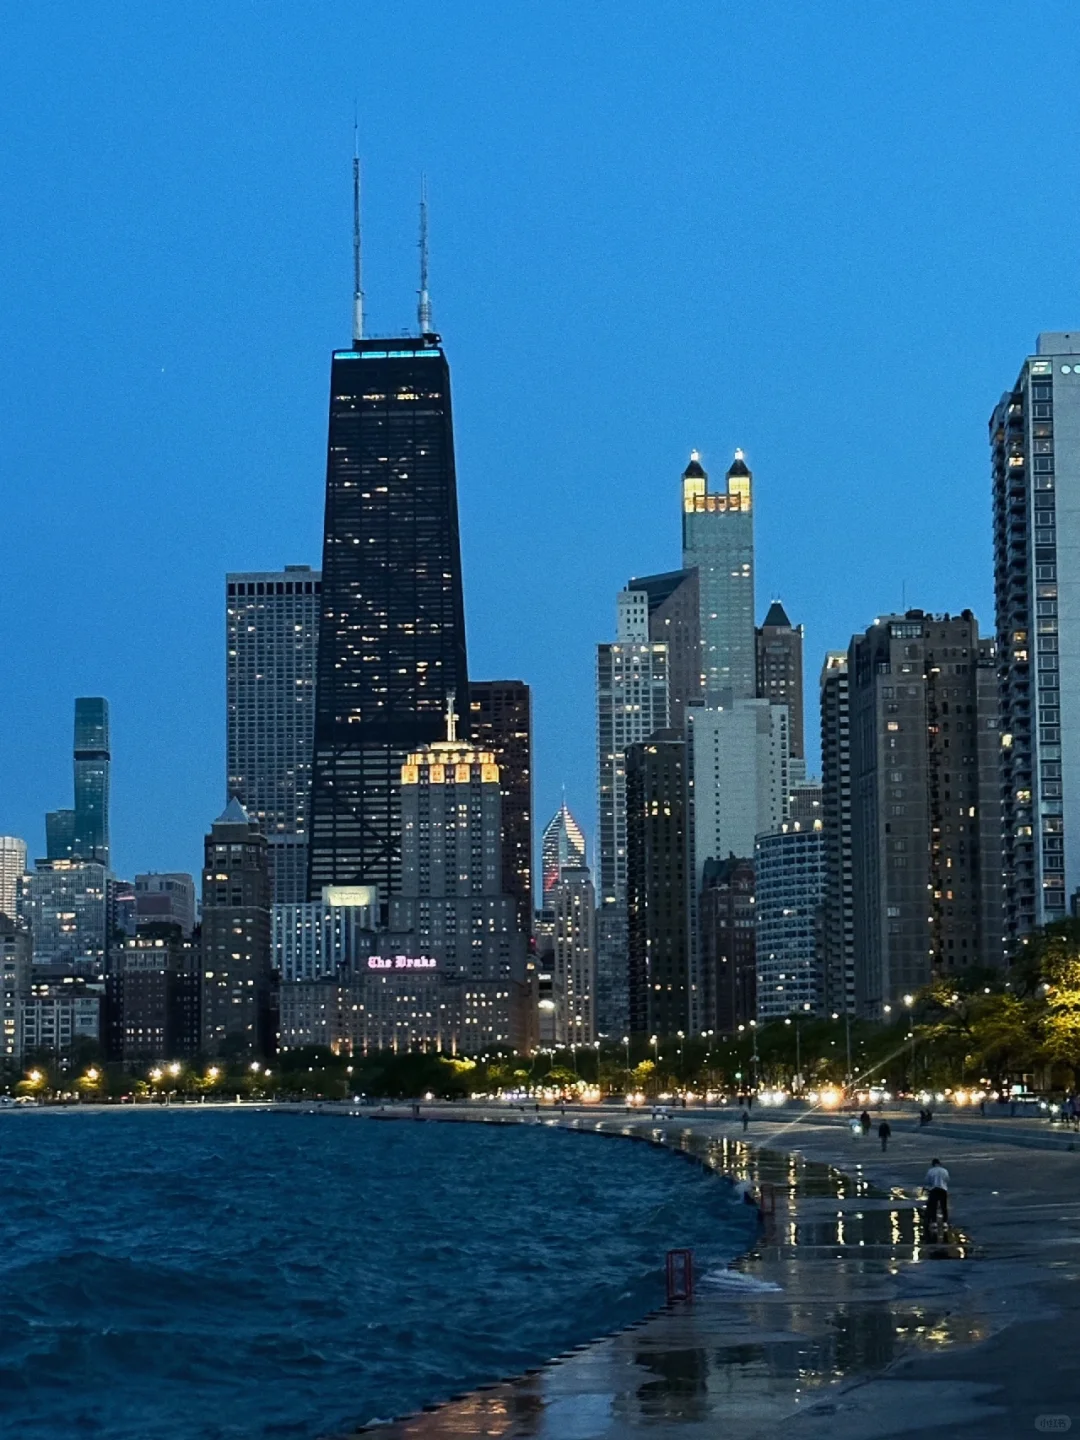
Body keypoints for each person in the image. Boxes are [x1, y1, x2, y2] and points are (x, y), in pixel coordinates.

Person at [924, 1158, 950, 1232]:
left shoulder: (930, 1171)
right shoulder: (944, 1170)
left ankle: (934, 1222)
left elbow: (927, 1181)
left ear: (933, 1164)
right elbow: (947, 1179)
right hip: (943, 1189)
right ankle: (945, 1222)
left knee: (933, 1207)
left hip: (934, 1189)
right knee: (944, 1206)